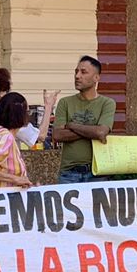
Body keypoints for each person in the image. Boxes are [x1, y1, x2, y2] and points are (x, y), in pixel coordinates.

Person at [51, 55, 116, 184]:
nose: (77, 76)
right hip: (69, 173)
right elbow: (57, 135)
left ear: (96, 78)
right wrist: (92, 129)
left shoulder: (107, 103)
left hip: (97, 173)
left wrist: (71, 125)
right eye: (76, 72)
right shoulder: (65, 102)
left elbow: (101, 133)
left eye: (83, 72)